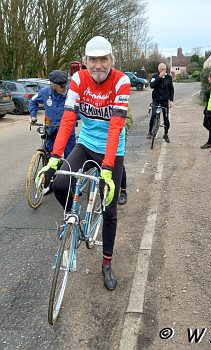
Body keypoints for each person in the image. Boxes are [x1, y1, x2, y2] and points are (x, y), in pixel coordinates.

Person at [35, 36, 130, 290]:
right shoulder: (78, 79)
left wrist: (108, 169)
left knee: (109, 209)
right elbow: (68, 119)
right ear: (86, 61)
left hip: (112, 149)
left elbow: (116, 127)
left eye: (103, 59)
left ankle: (106, 264)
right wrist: (55, 158)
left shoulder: (121, 81)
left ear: (111, 59)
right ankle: (72, 219)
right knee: (59, 183)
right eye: (93, 60)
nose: (98, 65)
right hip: (85, 145)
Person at [29, 70, 76, 159]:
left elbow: (80, 107)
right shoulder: (45, 92)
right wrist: (33, 116)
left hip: (67, 131)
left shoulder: (72, 92)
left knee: (70, 158)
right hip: (51, 130)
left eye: (66, 85)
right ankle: (51, 173)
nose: (65, 87)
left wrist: (74, 118)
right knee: (49, 155)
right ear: (53, 86)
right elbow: (33, 101)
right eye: (62, 86)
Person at [147, 63, 174, 143]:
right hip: (156, 98)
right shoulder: (155, 77)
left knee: (166, 117)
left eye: (164, 69)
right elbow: (151, 85)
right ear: (159, 70)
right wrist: (159, 77)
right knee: (153, 115)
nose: (163, 71)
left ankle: (166, 134)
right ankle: (150, 131)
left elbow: (171, 89)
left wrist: (171, 100)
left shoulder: (169, 77)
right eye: (162, 69)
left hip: (165, 99)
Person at [118, 103, 133, 205]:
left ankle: (123, 191)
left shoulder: (122, 99)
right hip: (102, 138)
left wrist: (119, 129)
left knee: (119, 165)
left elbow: (129, 119)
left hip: (119, 137)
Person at [200, 71, 211, 149]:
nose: (208, 78)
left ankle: (209, 142)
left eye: (209, 77)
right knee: (205, 124)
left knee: (210, 125)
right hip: (208, 108)